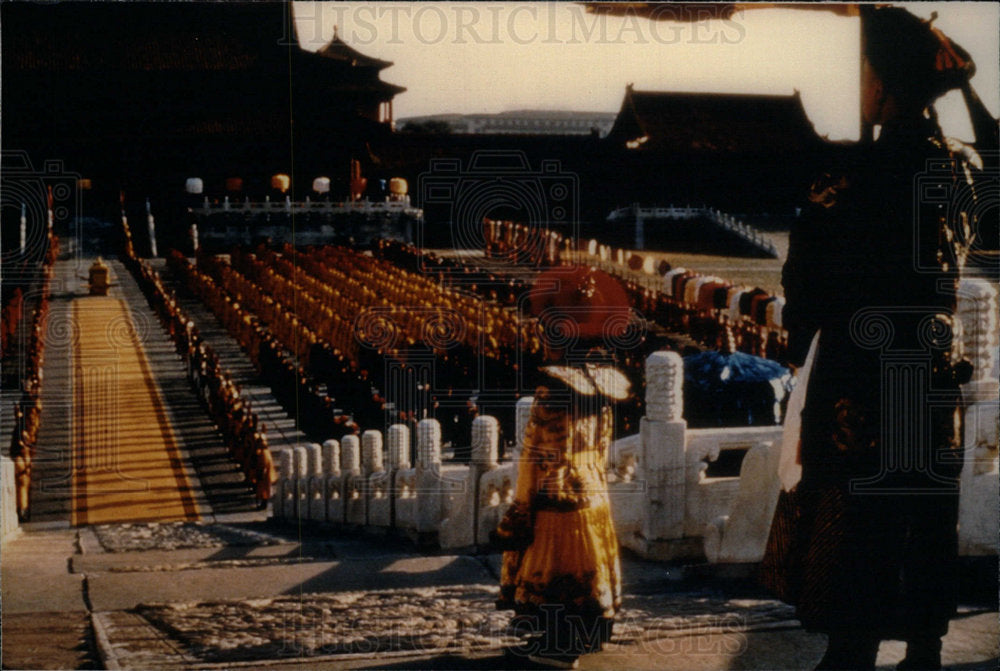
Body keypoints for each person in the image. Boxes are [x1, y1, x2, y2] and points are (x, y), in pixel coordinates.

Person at [759, 8, 982, 670]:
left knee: (860, 514)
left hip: (868, 370)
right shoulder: (963, 168)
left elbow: (811, 279)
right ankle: (924, 645)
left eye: (864, 74)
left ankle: (852, 646)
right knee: (924, 511)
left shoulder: (855, 178)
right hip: (936, 367)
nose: (859, 85)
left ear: (883, 86)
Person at [493, 266, 632, 669]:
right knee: (587, 577)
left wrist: (520, 507)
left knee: (554, 579)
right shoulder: (607, 382)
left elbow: (536, 456)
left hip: (556, 497)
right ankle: (574, 642)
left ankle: (556, 650)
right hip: (594, 492)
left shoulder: (552, 388)